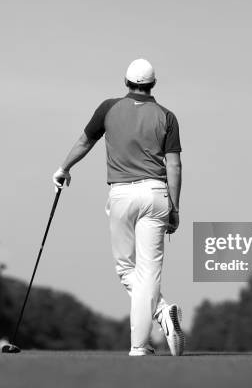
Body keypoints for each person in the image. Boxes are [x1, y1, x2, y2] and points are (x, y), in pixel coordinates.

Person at [52, 58, 184, 356]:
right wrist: (175, 207)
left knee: (128, 269)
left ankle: (155, 324)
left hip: (122, 193)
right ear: (153, 85)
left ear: (126, 82)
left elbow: (86, 141)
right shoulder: (167, 116)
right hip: (155, 193)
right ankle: (150, 330)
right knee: (148, 271)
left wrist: (64, 168)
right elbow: (174, 165)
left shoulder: (108, 108)